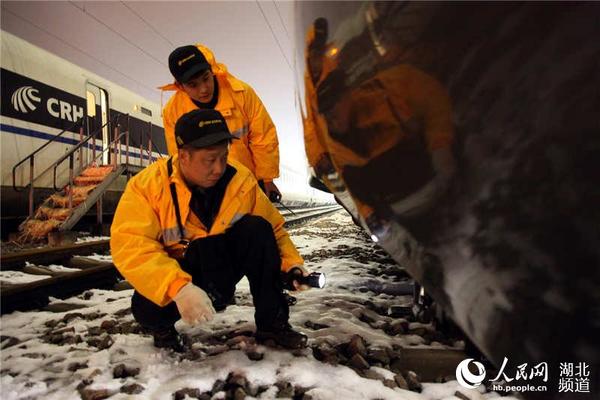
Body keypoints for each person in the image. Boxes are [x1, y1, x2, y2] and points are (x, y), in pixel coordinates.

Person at [110, 109, 310, 352]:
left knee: (258, 228)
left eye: (224, 158)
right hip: (183, 269)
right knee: (147, 309)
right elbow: (131, 245)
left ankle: (273, 325)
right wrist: (179, 288)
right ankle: (162, 328)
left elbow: (275, 230)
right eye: (209, 160)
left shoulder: (241, 180)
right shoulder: (146, 187)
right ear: (183, 156)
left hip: (222, 265)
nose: (219, 168)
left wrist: (292, 265)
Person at [161, 44, 282, 201]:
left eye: (206, 78)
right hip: (206, 188)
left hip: (247, 182)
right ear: (180, 86)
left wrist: (267, 179)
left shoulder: (242, 94)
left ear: (212, 71)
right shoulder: (172, 111)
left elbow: (264, 137)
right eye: (193, 85)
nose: (203, 89)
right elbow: (179, 156)